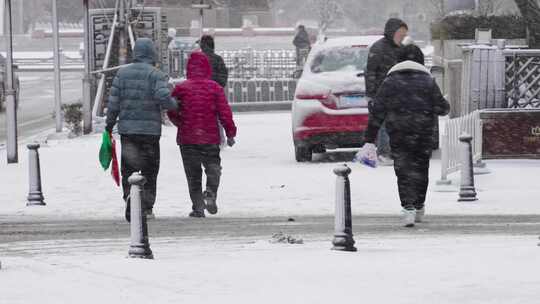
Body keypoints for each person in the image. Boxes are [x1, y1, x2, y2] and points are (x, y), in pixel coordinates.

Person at [361, 44, 450, 227]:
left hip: (399, 134)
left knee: (403, 171)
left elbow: (377, 112)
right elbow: (443, 108)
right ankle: (418, 206)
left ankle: (407, 207)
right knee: (421, 170)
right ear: (420, 61)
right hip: (424, 134)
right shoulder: (428, 81)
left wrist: (369, 138)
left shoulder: (390, 82)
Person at [106, 38, 179, 222]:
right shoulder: (156, 74)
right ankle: (146, 206)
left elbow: (113, 103)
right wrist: (174, 104)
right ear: (152, 54)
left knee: (129, 168)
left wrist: (109, 123)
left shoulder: (122, 74)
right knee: (150, 169)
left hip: (128, 132)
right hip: (150, 133)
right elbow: (163, 97)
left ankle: (130, 196)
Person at [167, 52, 237, 218]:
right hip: (210, 137)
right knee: (213, 167)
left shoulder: (181, 88)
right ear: (207, 68)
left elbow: (171, 110)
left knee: (193, 175)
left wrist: (181, 123)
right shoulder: (215, 88)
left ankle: (198, 207)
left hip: (188, 138)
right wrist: (230, 133)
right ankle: (211, 191)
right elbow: (224, 112)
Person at [365, 18, 409, 165]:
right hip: (381, 93)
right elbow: (370, 72)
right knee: (384, 124)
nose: (402, 38)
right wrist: (371, 95)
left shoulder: (402, 49)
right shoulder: (378, 48)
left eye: (404, 35)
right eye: (400, 34)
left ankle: (394, 152)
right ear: (392, 33)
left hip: (399, 93)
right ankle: (384, 153)